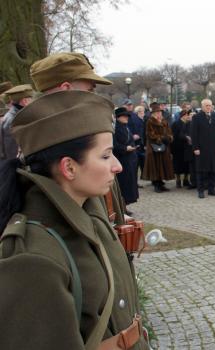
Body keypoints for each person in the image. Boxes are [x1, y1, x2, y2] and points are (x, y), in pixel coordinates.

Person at [0, 90, 147, 349]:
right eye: (105, 155)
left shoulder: (90, 214)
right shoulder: (33, 256)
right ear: (68, 167)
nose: (117, 166)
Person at [28, 52, 129, 227]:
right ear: (67, 89)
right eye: (89, 90)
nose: (94, 97)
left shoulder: (77, 129)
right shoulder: (45, 140)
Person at [191, 99, 215, 198]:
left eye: (210, 105)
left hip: (213, 149)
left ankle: (211, 189)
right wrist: (195, 148)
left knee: (213, 169)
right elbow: (194, 134)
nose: (209, 107)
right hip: (201, 149)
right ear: (202, 106)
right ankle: (200, 190)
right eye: (207, 105)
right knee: (201, 170)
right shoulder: (196, 117)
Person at [142, 103, 174, 193]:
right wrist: (161, 138)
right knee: (155, 166)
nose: (159, 114)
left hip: (164, 147)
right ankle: (156, 184)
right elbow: (150, 135)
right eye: (157, 112)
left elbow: (169, 131)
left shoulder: (164, 121)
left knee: (162, 165)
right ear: (153, 113)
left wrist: (169, 137)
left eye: (160, 112)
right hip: (154, 147)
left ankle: (161, 183)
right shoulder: (150, 121)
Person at [0, 85, 34, 168]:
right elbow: (12, 151)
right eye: (31, 99)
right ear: (25, 101)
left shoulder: (17, 115)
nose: (33, 102)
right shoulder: (13, 120)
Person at [113, 107, 139, 207]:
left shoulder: (126, 127)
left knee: (130, 183)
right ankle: (122, 206)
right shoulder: (115, 128)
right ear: (118, 117)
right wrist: (125, 148)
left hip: (130, 159)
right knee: (123, 184)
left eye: (127, 116)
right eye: (124, 116)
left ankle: (125, 205)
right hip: (122, 159)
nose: (126, 118)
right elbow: (114, 144)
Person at [171, 109, 192, 188]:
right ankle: (178, 180)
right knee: (177, 165)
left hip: (186, 148)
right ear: (184, 116)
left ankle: (186, 180)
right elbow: (173, 136)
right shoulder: (175, 124)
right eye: (187, 115)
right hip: (177, 147)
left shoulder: (189, 123)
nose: (189, 117)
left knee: (186, 165)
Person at [130, 105, 147, 181]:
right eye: (143, 111)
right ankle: (135, 181)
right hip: (138, 144)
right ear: (139, 112)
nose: (144, 113)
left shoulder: (140, 119)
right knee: (136, 164)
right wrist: (138, 136)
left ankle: (139, 179)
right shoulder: (137, 120)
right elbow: (139, 132)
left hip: (140, 144)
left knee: (139, 163)